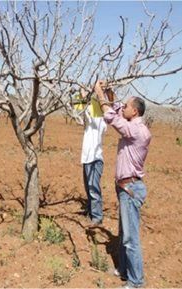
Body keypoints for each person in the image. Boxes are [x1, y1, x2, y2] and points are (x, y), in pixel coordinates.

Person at [95, 80, 151, 288]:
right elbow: (117, 108)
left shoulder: (136, 131)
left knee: (129, 237)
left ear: (134, 112)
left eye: (127, 106)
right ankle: (125, 270)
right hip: (125, 188)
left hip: (130, 189)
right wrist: (109, 90)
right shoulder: (134, 125)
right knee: (124, 233)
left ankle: (136, 281)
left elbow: (110, 116)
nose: (123, 108)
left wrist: (99, 93)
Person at [80, 88, 107, 225]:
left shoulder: (99, 121)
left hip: (94, 159)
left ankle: (97, 217)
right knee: (89, 187)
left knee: (93, 189)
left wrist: (85, 94)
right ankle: (91, 211)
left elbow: (88, 108)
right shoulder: (93, 121)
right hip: (87, 158)